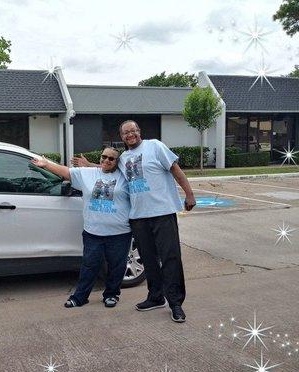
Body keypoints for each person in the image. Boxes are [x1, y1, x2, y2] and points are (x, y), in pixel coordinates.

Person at [72, 121, 196, 323]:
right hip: (138, 217)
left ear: (139, 132)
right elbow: (108, 166)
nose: (131, 134)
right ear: (122, 137)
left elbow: (175, 169)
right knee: (149, 260)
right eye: (126, 132)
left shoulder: (155, 146)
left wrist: (189, 195)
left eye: (134, 130)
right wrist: (90, 166)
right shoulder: (123, 159)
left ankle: (175, 303)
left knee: (170, 258)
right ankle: (155, 297)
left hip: (162, 212)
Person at [32, 148, 132, 308]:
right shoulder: (88, 174)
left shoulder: (125, 178)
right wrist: (46, 164)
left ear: (117, 162)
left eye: (111, 159)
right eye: (104, 157)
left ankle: (112, 295)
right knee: (89, 265)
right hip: (93, 232)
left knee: (116, 267)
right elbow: (66, 172)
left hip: (120, 233)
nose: (106, 160)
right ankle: (80, 297)